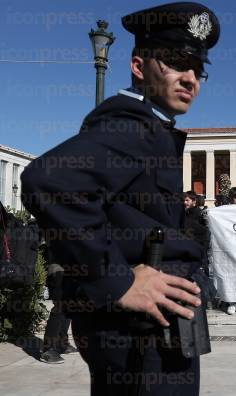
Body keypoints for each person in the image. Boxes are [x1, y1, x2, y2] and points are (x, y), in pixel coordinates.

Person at [20, 3, 220, 395]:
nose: (190, 78)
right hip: (140, 340)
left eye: (198, 69)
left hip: (149, 334)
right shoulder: (133, 128)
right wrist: (118, 280)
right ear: (138, 65)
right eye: (177, 62)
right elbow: (47, 180)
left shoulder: (152, 130)